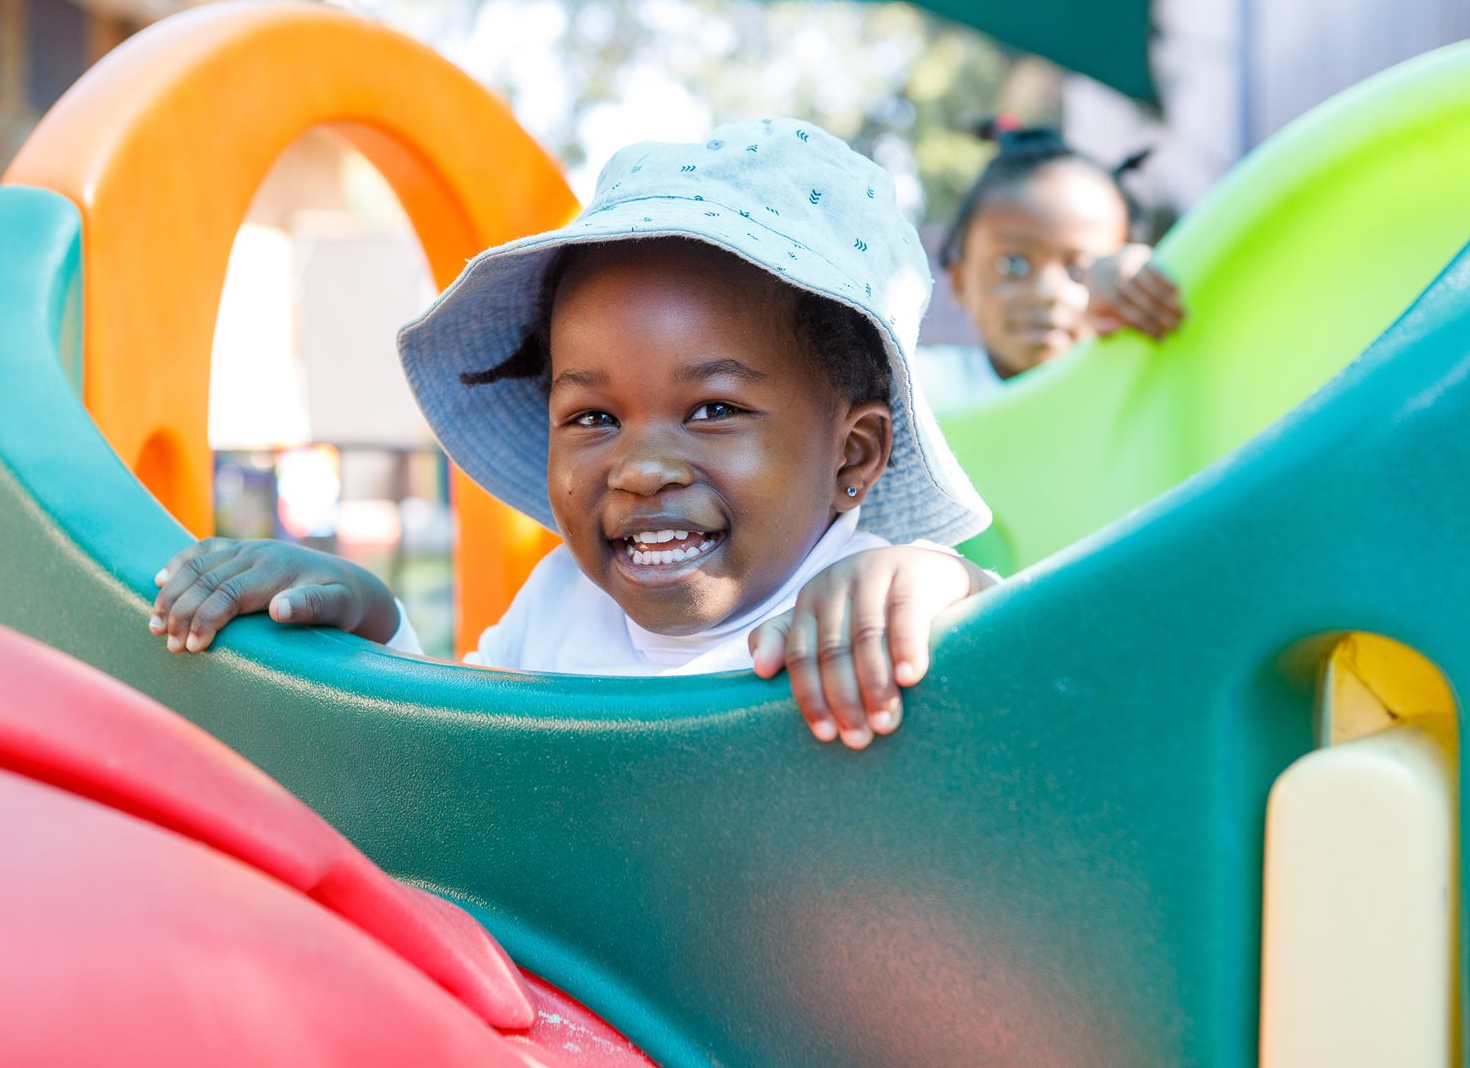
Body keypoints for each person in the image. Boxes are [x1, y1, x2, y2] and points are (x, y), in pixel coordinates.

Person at [149, 118, 996, 750]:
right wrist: (372, 634)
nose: (643, 468)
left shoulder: (864, 603)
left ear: (853, 454)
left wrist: (939, 586)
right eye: (594, 417)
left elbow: (1034, 669)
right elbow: (466, 753)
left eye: (712, 409)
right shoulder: (558, 602)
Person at [917, 122, 1186, 411]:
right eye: (1012, 265)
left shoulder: (1137, 388)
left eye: (1079, 272)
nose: (1046, 292)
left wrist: (1145, 284)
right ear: (959, 281)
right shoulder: (925, 392)